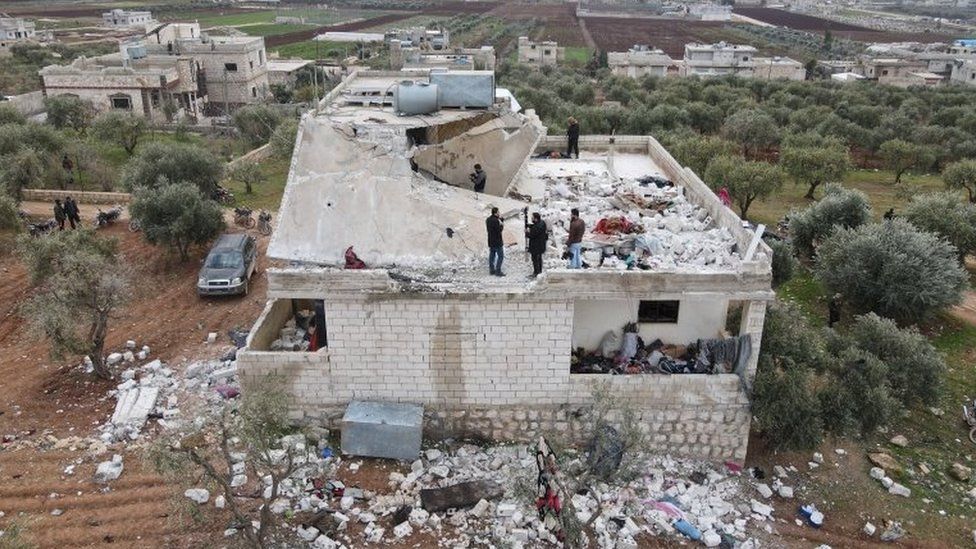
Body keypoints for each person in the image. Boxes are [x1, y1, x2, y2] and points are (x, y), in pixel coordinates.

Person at [526, 212, 548, 278]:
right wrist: (530, 226)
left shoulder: (537, 227)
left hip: (536, 246)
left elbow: (532, 235)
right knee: (539, 259)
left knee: (535, 260)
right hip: (541, 245)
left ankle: (536, 272)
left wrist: (526, 232)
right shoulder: (542, 223)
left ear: (535, 218)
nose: (531, 219)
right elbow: (535, 226)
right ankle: (539, 271)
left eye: (532, 218)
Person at [486, 207, 505, 276]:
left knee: (492, 255)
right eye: (498, 212)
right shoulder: (496, 221)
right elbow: (499, 230)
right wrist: (502, 223)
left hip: (490, 240)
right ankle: (498, 270)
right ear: (496, 213)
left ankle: (492, 270)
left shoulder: (488, 219)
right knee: (501, 256)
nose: (499, 213)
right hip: (497, 241)